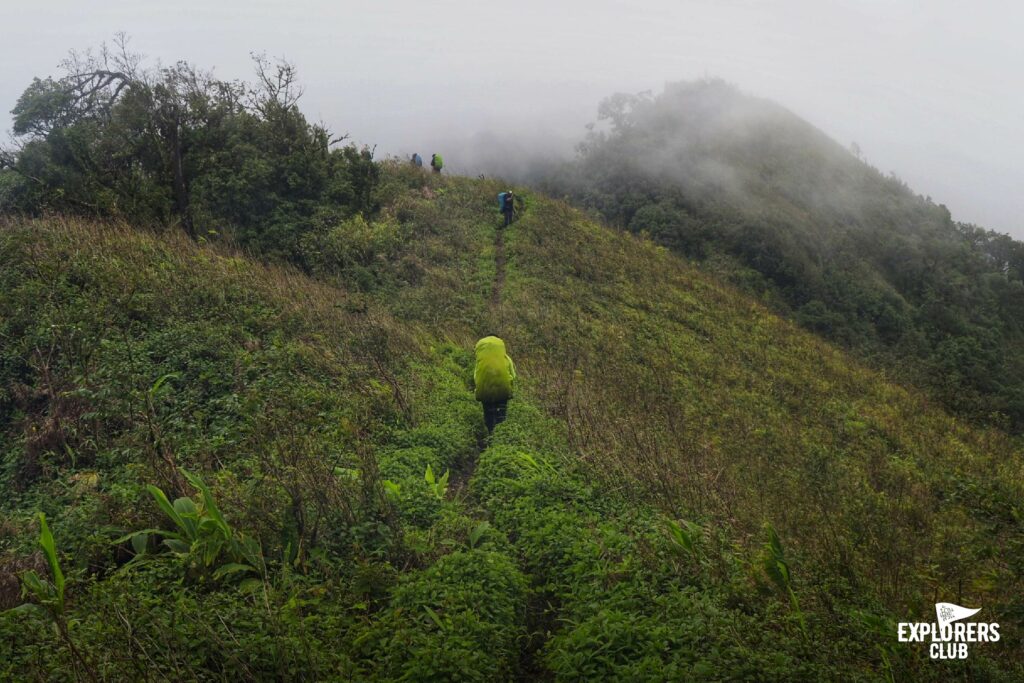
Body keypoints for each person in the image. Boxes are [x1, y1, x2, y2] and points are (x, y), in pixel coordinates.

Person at [473, 335, 515, 433]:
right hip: (503, 390)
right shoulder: (506, 358)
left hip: (485, 391)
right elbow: (513, 375)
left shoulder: (480, 361)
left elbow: (476, 377)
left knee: (488, 413)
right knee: (501, 413)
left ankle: (490, 434)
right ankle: (501, 436)